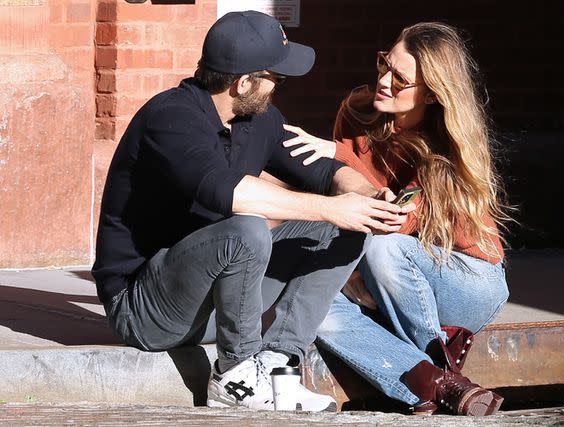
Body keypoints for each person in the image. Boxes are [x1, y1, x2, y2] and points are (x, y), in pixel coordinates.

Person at [91, 10, 413, 413]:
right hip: (145, 309)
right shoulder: (170, 119)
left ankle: (278, 361)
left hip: (213, 303)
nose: (280, 88)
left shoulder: (257, 118)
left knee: (342, 229)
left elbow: (325, 172)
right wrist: (333, 208)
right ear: (244, 82)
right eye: (276, 79)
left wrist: (366, 196)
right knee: (247, 230)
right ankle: (234, 373)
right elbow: (229, 194)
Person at [282, 22, 511, 416]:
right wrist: (348, 272)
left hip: (465, 278)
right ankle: (437, 385)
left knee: (383, 248)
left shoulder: (446, 145)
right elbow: (339, 201)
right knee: (312, 305)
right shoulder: (356, 112)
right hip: (387, 280)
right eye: (384, 64)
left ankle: (435, 369)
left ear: (433, 93)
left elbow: (395, 222)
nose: (384, 81)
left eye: (400, 79)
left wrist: (337, 156)